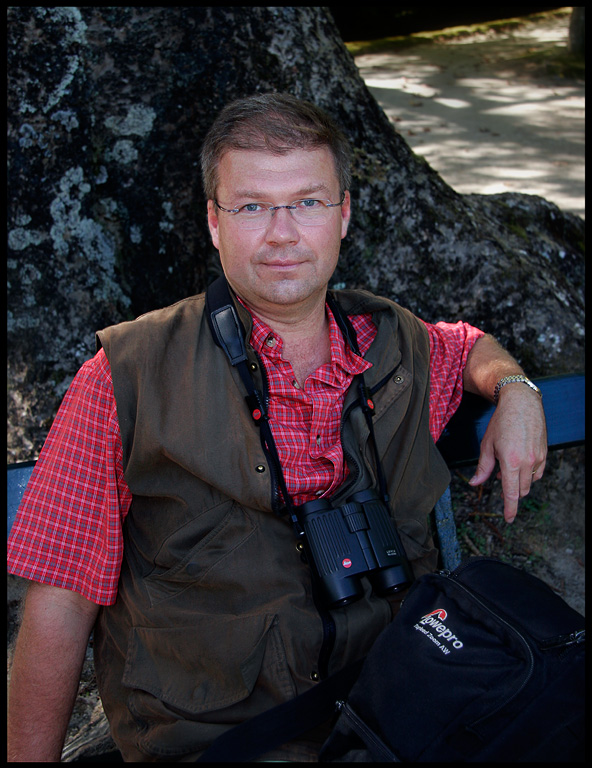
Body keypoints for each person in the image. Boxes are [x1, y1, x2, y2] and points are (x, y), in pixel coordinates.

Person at [7, 93, 547, 762]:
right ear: (213, 222)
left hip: (393, 715)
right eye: (253, 206)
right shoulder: (128, 376)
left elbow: (467, 348)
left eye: (309, 202)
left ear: (344, 214)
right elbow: (60, 602)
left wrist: (516, 390)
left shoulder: (393, 345)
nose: (284, 233)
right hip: (217, 742)